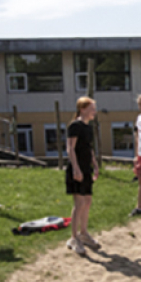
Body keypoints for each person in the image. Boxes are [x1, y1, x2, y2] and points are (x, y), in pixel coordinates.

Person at [65, 96, 101, 255]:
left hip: (86, 168)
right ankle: (74, 238)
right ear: (82, 109)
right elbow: (70, 148)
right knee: (79, 203)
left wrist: (95, 164)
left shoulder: (88, 127)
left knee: (87, 201)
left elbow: (88, 147)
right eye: (92, 108)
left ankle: (84, 233)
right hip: (77, 168)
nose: (94, 111)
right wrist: (76, 168)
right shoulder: (75, 126)